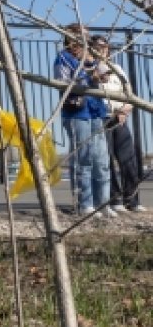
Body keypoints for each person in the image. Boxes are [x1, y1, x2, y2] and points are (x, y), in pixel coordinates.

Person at [53, 27, 112, 217]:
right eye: (82, 36)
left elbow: (105, 76)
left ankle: (103, 203)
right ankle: (85, 204)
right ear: (71, 39)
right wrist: (86, 78)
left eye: (87, 36)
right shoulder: (63, 58)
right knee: (83, 159)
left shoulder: (90, 57)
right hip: (77, 113)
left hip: (96, 111)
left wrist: (97, 61)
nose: (86, 39)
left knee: (101, 160)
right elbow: (63, 84)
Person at [89, 35, 145, 213]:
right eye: (98, 47)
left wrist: (124, 111)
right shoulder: (90, 69)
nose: (102, 49)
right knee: (107, 160)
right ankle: (115, 200)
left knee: (128, 159)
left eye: (105, 46)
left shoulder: (118, 69)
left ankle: (132, 199)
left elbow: (129, 94)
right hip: (102, 117)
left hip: (119, 119)